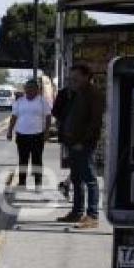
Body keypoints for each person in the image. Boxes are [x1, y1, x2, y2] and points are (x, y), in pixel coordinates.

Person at [57, 65, 104, 229]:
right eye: (71, 78)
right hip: (73, 144)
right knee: (76, 179)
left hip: (83, 145)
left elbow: (95, 122)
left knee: (89, 179)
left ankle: (92, 216)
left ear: (86, 77)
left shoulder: (93, 94)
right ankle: (77, 212)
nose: (72, 81)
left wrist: (82, 142)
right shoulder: (79, 93)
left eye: (75, 78)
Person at [6, 79, 52, 190]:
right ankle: (22, 183)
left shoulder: (42, 102)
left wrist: (46, 132)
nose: (29, 90)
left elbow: (48, 117)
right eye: (27, 88)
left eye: (32, 88)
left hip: (37, 135)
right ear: (25, 89)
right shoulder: (19, 101)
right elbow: (13, 117)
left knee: (37, 160)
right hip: (22, 135)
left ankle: (38, 184)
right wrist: (9, 131)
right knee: (23, 160)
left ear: (37, 90)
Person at [51, 83, 75, 198]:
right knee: (80, 165)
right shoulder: (66, 93)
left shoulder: (85, 94)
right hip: (71, 136)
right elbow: (55, 112)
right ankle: (67, 185)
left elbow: (55, 112)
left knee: (80, 165)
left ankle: (66, 184)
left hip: (73, 135)